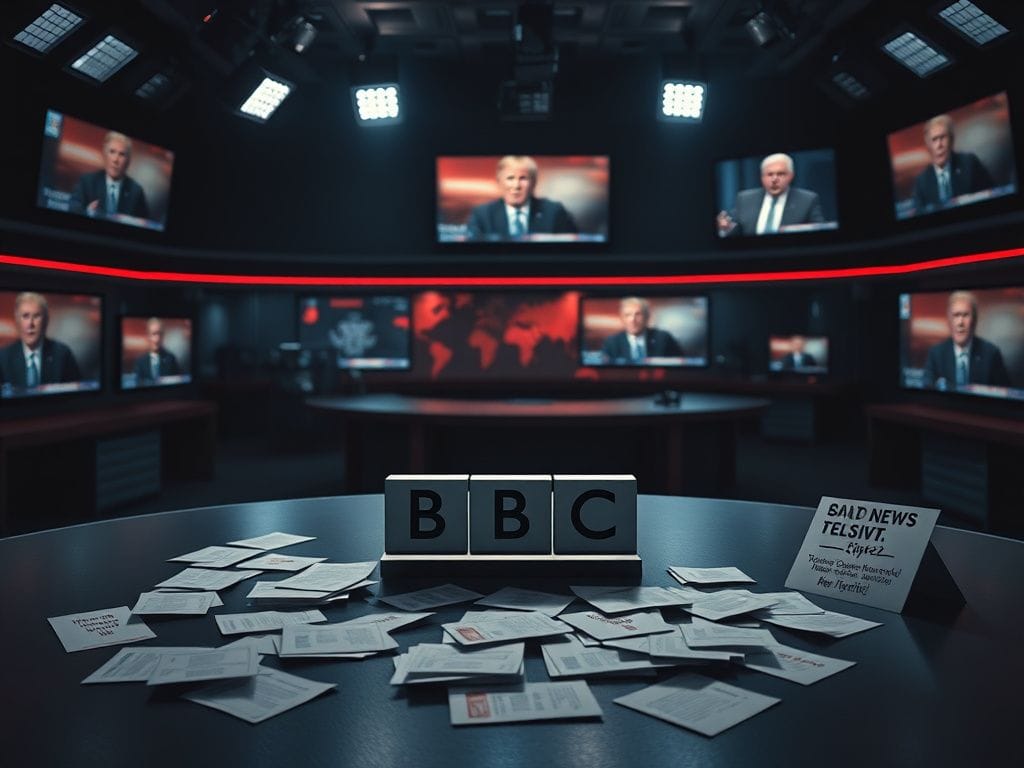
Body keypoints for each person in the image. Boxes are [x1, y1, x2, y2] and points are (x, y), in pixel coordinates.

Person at [466, 155, 578, 240]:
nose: (516, 186)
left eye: (523, 178)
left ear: (534, 183)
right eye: (510, 178)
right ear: (499, 182)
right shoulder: (482, 214)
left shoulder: (554, 211)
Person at [717, 153, 825, 237]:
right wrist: (725, 228)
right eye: (769, 174)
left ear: (791, 176)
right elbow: (733, 232)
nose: (774, 179)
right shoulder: (745, 199)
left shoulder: (807, 200)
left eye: (780, 174)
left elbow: (819, 233)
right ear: (762, 177)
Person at [924, 290, 1010, 390]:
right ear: (949, 321)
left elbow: (1005, 395)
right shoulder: (936, 353)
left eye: (965, 315)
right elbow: (927, 392)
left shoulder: (991, 353)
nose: (960, 322)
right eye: (956, 315)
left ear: (974, 320)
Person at [911, 115, 994, 214]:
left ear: (951, 140)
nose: (939, 145)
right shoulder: (922, 181)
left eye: (943, 138)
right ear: (928, 146)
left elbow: (993, 194)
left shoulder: (969, 163)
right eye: (934, 140)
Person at [0, 292, 81, 389]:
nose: (30, 324)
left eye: (36, 316)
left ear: (46, 321)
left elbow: (77, 396)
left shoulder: (63, 355)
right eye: (25, 316)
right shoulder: (3, 358)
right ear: (17, 321)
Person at [69, 131, 150, 220]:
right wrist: (88, 213)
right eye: (112, 152)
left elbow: (144, 223)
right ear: (104, 155)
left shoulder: (136, 191)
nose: (115, 160)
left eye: (122, 154)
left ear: (128, 161)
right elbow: (72, 211)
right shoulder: (87, 182)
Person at [601, 297, 683, 364]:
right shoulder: (612, 342)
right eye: (627, 315)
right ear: (622, 319)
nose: (632, 319)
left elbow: (680, 366)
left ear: (647, 317)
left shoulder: (664, 339)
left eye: (638, 314)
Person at [133, 317, 180, 384]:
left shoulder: (171, 359)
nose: (157, 339)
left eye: (160, 334)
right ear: (148, 336)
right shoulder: (140, 362)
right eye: (154, 334)